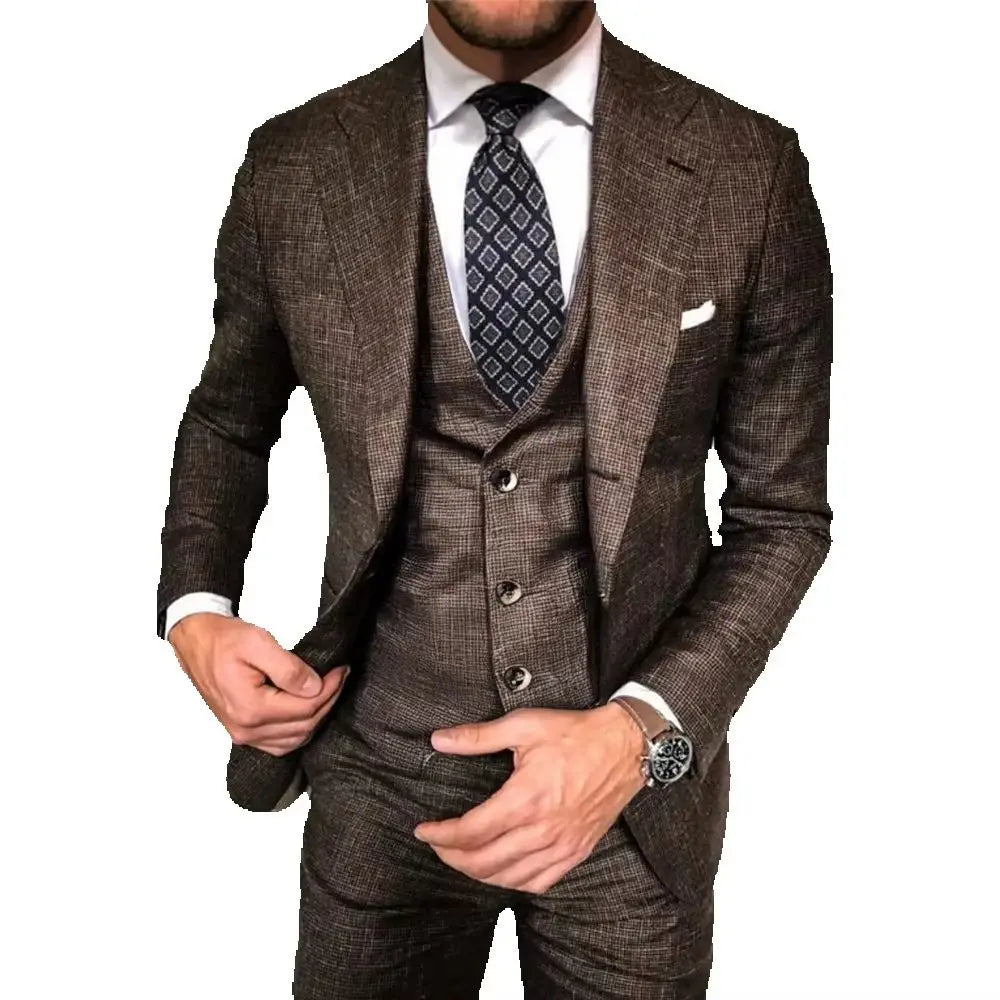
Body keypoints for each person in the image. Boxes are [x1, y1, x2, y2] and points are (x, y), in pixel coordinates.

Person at [156, 2, 833, 996]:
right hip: (376, 778)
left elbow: (781, 516)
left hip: (630, 813)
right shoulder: (294, 164)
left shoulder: (747, 168)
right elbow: (227, 421)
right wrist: (197, 608)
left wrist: (640, 731)